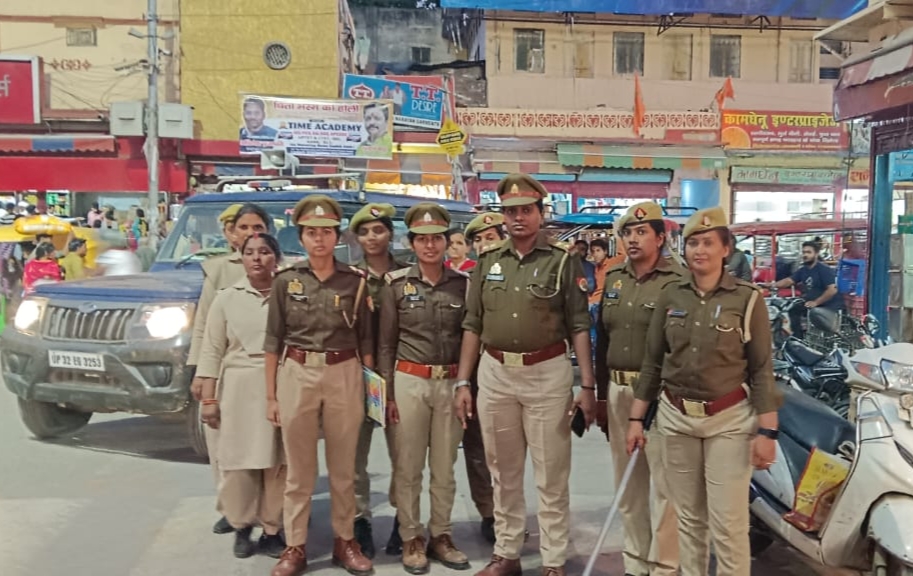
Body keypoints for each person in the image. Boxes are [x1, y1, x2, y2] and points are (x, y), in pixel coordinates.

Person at [453, 173, 596, 576]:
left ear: (540, 213)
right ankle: (507, 554)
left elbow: (579, 325)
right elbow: (473, 324)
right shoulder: (487, 261)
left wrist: (587, 385)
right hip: (495, 373)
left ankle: (553, 561)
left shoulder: (562, 261)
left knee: (552, 473)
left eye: (526, 210)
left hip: (547, 374)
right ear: (503, 216)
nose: (518, 217)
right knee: (503, 471)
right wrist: (463, 381)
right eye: (511, 211)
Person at [627, 206, 781, 576]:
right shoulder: (671, 296)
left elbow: (761, 369)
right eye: (693, 243)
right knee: (689, 520)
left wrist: (768, 431)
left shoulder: (747, 299)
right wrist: (635, 419)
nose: (700, 250)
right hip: (676, 420)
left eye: (708, 243)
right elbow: (653, 362)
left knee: (728, 524)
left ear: (726, 248)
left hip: (729, 421)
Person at [265, 195, 374, 576]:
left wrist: (371, 392)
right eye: (311, 232)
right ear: (301, 237)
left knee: (344, 469)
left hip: (344, 372)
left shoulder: (355, 282)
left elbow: (366, 341)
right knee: (299, 471)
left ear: (337, 237)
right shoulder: (286, 281)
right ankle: (295, 546)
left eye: (326, 232)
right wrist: (271, 396)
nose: (319, 239)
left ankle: (345, 541)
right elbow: (272, 341)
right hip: (297, 372)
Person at [378, 203, 471, 574]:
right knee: (408, 466)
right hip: (409, 381)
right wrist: (387, 394)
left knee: (445, 468)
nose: (430, 246)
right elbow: (386, 344)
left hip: (450, 382)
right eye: (422, 239)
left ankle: (441, 535)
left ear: (447, 242)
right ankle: (411, 537)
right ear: (411, 243)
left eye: (436, 239)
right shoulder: (396, 285)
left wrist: (466, 385)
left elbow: (470, 338)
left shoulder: (463, 285)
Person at [594, 202, 682, 576]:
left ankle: (664, 566)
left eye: (642, 232)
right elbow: (603, 340)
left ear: (660, 238)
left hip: (661, 396)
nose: (632, 239)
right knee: (628, 484)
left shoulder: (678, 280)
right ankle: (636, 561)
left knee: (665, 487)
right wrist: (600, 395)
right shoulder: (615, 278)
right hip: (619, 391)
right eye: (627, 232)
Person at [197, 233, 288, 560]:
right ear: (241, 257)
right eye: (250, 252)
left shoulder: (289, 296)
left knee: (279, 464)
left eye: (264, 252)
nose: (257, 258)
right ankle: (241, 526)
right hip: (236, 387)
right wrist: (209, 398)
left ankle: (273, 530)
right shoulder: (226, 298)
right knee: (239, 464)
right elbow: (212, 350)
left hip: (280, 385)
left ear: (276, 258)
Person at [188, 202, 271, 536]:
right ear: (230, 233)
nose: (251, 234)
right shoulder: (218, 270)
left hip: (266, 374)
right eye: (244, 228)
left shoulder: (280, 268)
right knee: (226, 448)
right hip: (227, 371)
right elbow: (204, 327)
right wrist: (201, 372)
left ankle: (271, 514)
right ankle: (232, 510)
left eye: (258, 228)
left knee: (269, 448)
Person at [348, 202, 409, 558]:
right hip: (357, 376)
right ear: (356, 238)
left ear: (390, 234)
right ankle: (361, 521)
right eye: (365, 232)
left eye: (379, 230)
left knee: (403, 452)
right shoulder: (349, 277)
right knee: (354, 455)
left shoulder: (406, 275)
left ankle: (404, 519)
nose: (372, 237)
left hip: (399, 373)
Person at [457, 212, 504, 543]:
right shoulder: (463, 281)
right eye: (479, 239)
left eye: (491, 237)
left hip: (507, 371)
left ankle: (507, 510)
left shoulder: (515, 275)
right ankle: (488, 512)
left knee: (506, 450)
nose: (485, 244)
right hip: (472, 374)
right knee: (476, 448)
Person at [769, 240, 842, 338]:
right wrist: (771, 285)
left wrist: (816, 302)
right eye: (803, 252)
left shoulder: (824, 269)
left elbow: (832, 290)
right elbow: (789, 281)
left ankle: (810, 338)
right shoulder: (803, 270)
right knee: (792, 309)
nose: (805, 255)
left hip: (827, 305)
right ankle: (798, 338)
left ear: (816, 254)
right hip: (810, 302)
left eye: (808, 252)